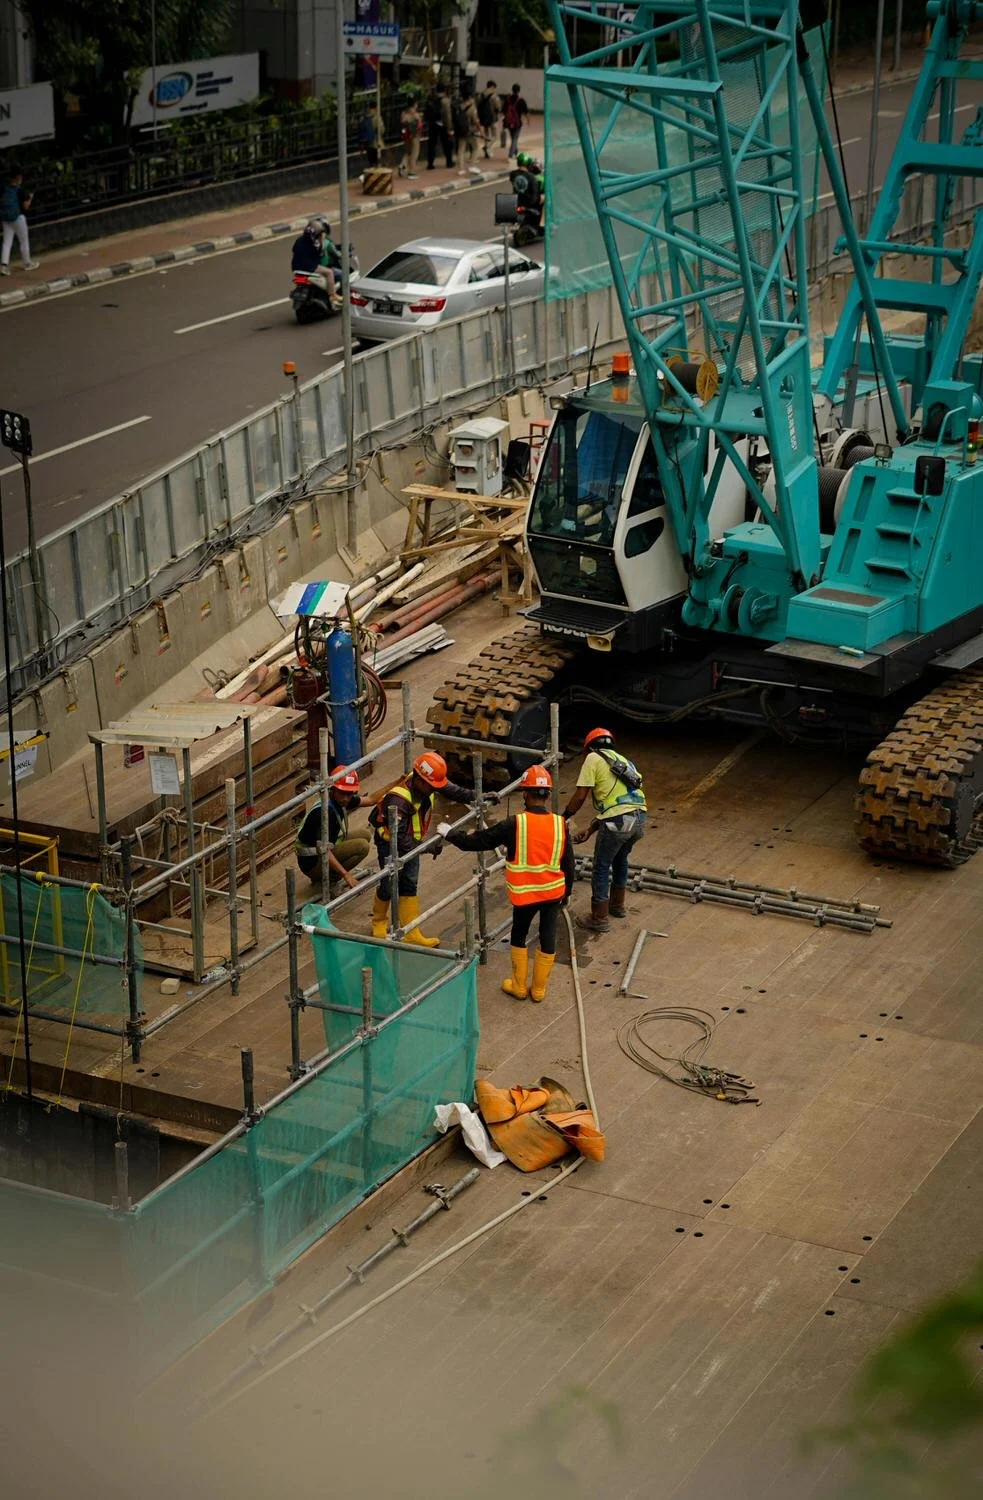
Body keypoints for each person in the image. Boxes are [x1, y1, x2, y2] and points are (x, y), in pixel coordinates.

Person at [445, 764, 572, 1005]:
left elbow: (480, 841)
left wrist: (451, 834)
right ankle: (539, 989)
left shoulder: (516, 823)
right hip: (552, 892)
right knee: (548, 935)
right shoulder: (560, 824)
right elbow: (569, 864)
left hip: (525, 894)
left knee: (519, 934)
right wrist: (567, 893)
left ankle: (519, 986)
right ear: (547, 795)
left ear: (525, 793)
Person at [368, 752, 472, 946]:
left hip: (412, 841)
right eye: (431, 786)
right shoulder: (398, 801)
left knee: (410, 882)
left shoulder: (426, 784)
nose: (435, 790)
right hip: (389, 844)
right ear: (420, 780)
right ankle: (379, 921)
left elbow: (452, 790)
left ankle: (410, 931)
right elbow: (400, 840)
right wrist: (427, 847)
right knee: (389, 883)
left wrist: (477, 796)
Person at [562, 728, 647, 933]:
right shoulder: (624, 761)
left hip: (618, 821)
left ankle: (599, 917)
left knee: (601, 865)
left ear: (590, 747)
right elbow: (619, 803)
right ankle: (617, 906)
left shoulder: (593, 758)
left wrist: (563, 817)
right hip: (639, 818)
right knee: (620, 860)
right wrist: (591, 829)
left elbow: (581, 795)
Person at [295, 766, 369, 890]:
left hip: (323, 849)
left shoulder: (338, 799)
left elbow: (370, 800)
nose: (346, 798)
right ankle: (330, 878)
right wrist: (346, 875)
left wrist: (396, 785)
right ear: (332, 789)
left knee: (365, 834)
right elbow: (324, 850)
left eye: (349, 793)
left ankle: (329, 874)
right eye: (342, 793)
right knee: (362, 846)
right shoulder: (324, 813)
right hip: (312, 861)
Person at [290, 217, 340, 308]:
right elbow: (321, 253)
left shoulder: (299, 239)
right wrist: (322, 240)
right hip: (309, 267)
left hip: (296, 268)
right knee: (329, 272)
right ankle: (333, 295)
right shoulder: (315, 243)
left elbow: (293, 250)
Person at [0, 169, 39, 275]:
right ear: (18, 178)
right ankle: (27, 263)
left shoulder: (3, 187)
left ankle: (3, 265)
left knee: (7, 242)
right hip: (18, 218)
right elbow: (25, 206)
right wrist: (30, 198)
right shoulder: (19, 191)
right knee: (23, 240)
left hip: (5, 218)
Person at [502, 84, 529, 159]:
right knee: (515, 138)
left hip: (508, 122)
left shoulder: (507, 99)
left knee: (513, 137)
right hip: (517, 123)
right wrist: (528, 121)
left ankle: (516, 151)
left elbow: (503, 110)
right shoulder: (521, 100)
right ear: (519, 90)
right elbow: (526, 112)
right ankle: (510, 154)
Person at [476, 80, 501, 158]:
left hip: (483, 118)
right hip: (492, 118)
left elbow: (477, 104)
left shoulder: (480, 94)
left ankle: (487, 151)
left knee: (487, 134)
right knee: (495, 136)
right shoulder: (494, 96)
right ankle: (488, 147)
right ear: (492, 87)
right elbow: (498, 107)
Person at [399, 98, 422, 178]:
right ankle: (412, 172)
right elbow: (418, 125)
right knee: (414, 153)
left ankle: (403, 165)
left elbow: (402, 122)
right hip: (414, 136)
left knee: (407, 152)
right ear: (415, 104)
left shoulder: (404, 113)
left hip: (405, 135)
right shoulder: (415, 114)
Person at [359, 102, 384, 169]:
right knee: (377, 162)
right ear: (376, 108)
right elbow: (382, 130)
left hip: (367, 143)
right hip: (376, 143)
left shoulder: (363, 117)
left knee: (371, 162)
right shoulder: (377, 117)